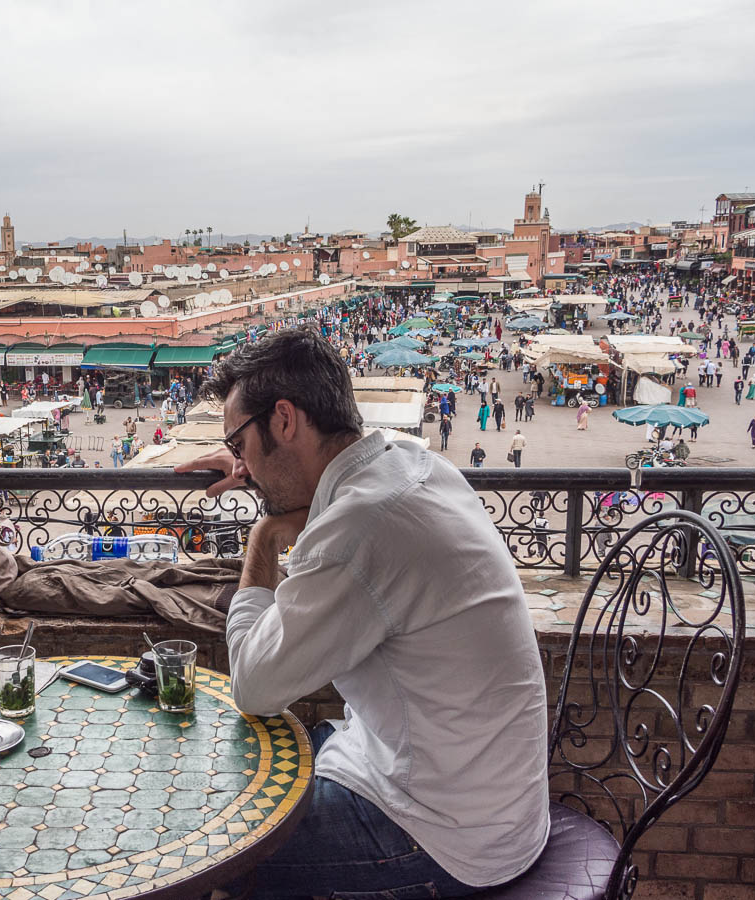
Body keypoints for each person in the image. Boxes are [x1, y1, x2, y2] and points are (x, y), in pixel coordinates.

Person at [174, 329, 549, 897]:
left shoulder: (361, 527)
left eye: (238, 442)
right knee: (238, 784)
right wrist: (253, 460)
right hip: (485, 802)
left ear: (284, 420)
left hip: (443, 834)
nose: (238, 462)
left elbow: (252, 684)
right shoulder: (406, 461)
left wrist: (263, 537)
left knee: (203, 847)